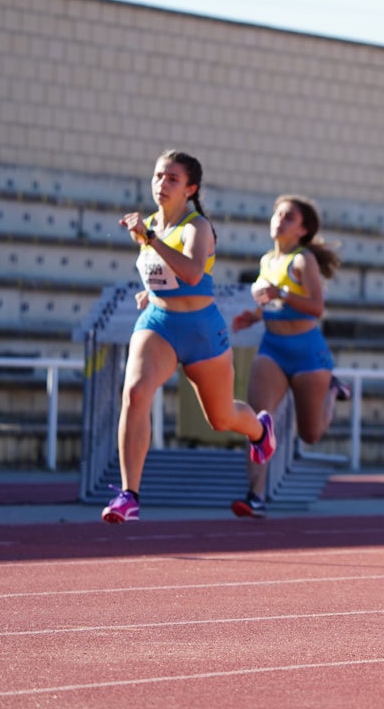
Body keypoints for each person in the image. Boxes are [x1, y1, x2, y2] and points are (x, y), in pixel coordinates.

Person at [102, 150, 276, 523]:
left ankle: (260, 430)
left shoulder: (198, 227)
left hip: (201, 330)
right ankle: (128, 495)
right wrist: (151, 291)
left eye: (172, 179)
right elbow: (160, 271)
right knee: (134, 393)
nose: (161, 184)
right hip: (159, 324)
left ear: (190, 189)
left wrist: (149, 238)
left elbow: (194, 273)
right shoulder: (150, 225)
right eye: (158, 176)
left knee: (221, 417)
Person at [230, 195, 345, 518]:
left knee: (310, 434)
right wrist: (253, 317)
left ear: (303, 230)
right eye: (277, 214)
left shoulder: (302, 260)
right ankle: (255, 496)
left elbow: (316, 308)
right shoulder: (267, 261)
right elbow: (269, 302)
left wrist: (282, 293)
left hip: (308, 352)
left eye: (288, 217)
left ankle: (333, 392)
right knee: (257, 422)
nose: (279, 220)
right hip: (273, 350)